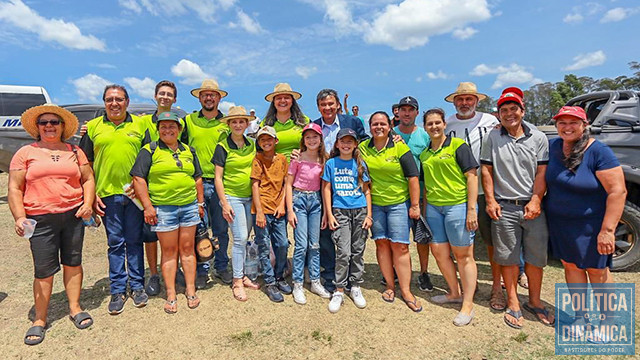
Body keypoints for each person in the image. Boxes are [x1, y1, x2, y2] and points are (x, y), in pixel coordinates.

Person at [9, 104, 94, 345]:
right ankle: (39, 319)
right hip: (40, 219)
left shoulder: (75, 151)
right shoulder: (25, 153)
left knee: (73, 263)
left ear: (62, 127)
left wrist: (87, 203)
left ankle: (75, 308)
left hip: (72, 216)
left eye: (54, 122)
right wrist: (19, 216)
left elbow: (88, 179)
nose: (49, 126)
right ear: (37, 127)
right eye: (44, 122)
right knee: (44, 270)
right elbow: (15, 188)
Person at [545, 106, 626, 336]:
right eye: (562, 123)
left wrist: (608, 230)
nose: (567, 127)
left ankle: (607, 322)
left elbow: (617, 192)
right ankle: (581, 318)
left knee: (597, 271)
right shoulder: (553, 147)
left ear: (585, 124)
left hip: (592, 226)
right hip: (561, 224)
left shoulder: (599, 151)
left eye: (573, 122)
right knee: (571, 267)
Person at [480, 87, 553, 329]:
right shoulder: (493, 137)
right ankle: (513, 302)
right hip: (504, 207)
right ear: (498, 114)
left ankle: (534, 301)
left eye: (514, 109)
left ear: (522, 110)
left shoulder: (538, 137)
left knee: (535, 259)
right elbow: (487, 170)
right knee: (508, 258)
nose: (509, 114)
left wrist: (536, 199)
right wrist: (490, 200)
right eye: (504, 110)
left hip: (532, 207)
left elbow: (542, 172)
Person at [79, 84, 150, 314]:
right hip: (107, 194)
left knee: (135, 240)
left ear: (127, 102)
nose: (114, 103)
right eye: (109, 99)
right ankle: (118, 289)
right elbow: (85, 163)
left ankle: (138, 286)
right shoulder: (93, 128)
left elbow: (150, 159)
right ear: (104, 102)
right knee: (115, 243)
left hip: (135, 195)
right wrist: (91, 195)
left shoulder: (140, 125)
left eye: (119, 99)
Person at [130, 111, 205, 314]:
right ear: (158, 129)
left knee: (188, 249)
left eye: (172, 126)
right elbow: (138, 178)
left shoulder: (189, 150)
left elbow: (197, 178)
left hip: (189, 206)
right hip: (163, 208)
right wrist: (147, 206)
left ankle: (190, 290)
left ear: (179, 129)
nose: (168, 130)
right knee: (169, 251)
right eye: (163, 126)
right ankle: (171, 293)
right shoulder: (150, 150)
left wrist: (200, 203)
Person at [444, 82, 510, 311]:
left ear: (477, 101)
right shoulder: (447, 124)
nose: (464, 103)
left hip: (487, 190)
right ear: (454, 102)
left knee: (492, 241)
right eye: (460, 99)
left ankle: (496, 287)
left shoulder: (491, 122)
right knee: (460, 243)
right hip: (455, 192)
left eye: (469, 99)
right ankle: (461, 286)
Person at [420, 108, 478, 326]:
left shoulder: (458, 146)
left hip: (458, 206)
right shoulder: (425, 153)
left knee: (463, 255)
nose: (434, 127)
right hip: (434, 208)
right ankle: (454, 293)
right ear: (425, 127)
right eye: (429, 123)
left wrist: (471, 209)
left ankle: (468, 305)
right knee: (439, 252)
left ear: (445, 124)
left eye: (437, 123)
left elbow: (472, 177)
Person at [359, 111, 422, 312]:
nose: (378, 127)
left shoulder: (399, 147)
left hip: (398, 204)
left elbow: (413, 177)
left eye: (382, 124)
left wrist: (414, 205)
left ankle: (406, 291)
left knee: (401, 246)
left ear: (389, 126)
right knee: (382, 244)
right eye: (375, 124)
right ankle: (389, 286)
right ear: (369, 127)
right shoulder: (362, 148)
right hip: (375, 205)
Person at [311, 88, 369, 293]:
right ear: (318, 107)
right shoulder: (314, 125)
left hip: (350, 186)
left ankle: (353, 280)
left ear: (337, 105)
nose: (327, 108)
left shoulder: (351, 122)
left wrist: (393, 138)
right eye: (323, 105)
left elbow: (366, 140)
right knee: (326, 231)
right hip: (323, 183)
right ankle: (330, 275)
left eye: (330, 104)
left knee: (354, 239)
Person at [181, 79, 231, 288]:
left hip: (221, 183)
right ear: (199, 97)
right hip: (196, 184)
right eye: (205, 94)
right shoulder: (189, 121)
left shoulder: (227, 122)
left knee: (221, 229)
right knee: (199, 230)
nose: (209, 98)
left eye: (213, 94)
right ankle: (202, 269)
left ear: (219, 98)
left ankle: (221, 266)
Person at [137, 80, 181, 297]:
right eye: (161, 93)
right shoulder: (143, 122)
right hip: (150, 187)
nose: (165, 97)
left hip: (173, 189)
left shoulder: (180, 123)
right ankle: (154, 274)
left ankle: (176, 268)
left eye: (169, 94)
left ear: (175, 99)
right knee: (151, 234)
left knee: (177, 232)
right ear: (155, 96)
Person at [322, 128, 372, 313]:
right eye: (343, 141)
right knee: (343, 251)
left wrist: (369, 215)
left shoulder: (359, 164)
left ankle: (355, 286)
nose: (346, 144)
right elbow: (326, 189)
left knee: (358, 250)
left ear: (355, 144)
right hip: (340, 211)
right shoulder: (331, 164)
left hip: (359, 211)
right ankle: (339, 289)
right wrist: (329, 214)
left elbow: (366, 191)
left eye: (350, 141)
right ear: (337, 144)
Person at [212, 106, 259, 301]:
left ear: (247, 124)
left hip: (250, 197)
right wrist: (224, 203)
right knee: (239, 238)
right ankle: (237, 280)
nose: (238, 125)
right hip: (232, 196)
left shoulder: (252, 144)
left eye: (241, 121)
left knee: (245, 236)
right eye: (234, 122)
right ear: (229, 125)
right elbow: (218, 177)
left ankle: (243, 273)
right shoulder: (222, 146)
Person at [286, 123, 332, 305]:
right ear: (303, 140)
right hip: (298, 199)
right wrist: (290, 210)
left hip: (315, 202)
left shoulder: (324, 159)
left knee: (314, 244)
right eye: (308, 137)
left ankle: (314, 280)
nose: (311, 140)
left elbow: (324, 186)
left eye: (315, 137)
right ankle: (297, 283)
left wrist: (324, 212)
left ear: (320, 139)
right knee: (301, 244)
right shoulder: (297, 157)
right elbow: (288, 184)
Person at [394, 96, 433, 292]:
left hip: (421, 192)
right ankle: (397, 270)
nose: (407, 113)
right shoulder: (390, 134)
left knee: (421, 236)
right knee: (399, 237)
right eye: (403, 110)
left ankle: (424, 272)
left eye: (411, 109)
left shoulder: (425, 136)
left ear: (417, 112)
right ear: (397, 112)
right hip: (397, 193)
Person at [250, 126, 290, 303]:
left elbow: (285, 184)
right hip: (262, 209)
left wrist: (283, 205)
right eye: (262, 139)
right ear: (258, 142)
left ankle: (279, 275)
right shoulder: (257, 159)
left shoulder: (282, 159)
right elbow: (255, 185)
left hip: (278, 209)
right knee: (264, 246)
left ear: (276, 141)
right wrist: (259, 212)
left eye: (269, 139)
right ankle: (270, 281)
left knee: (282, 244)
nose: (266, 142)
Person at [261, 83, 309, 160]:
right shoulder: (265, 124)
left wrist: (304, 152)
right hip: (273, 168)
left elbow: (316, 144)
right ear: (273, 102)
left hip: (301, 167)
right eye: (279, 98)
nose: (283, 101)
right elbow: (259, 149)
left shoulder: (305, 121)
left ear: (292, 101)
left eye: (286, 98)